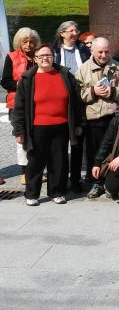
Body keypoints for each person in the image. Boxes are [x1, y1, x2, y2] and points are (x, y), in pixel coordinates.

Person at [11, 44, 82, 206]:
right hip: (38, 128)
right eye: (41, 56)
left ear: (53, 56)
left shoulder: (64, 74)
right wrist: (19, 131)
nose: (45, 58)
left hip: (61, 126)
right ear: (35, 59)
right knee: (35, 162)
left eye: (48, 55)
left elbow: (76, 102)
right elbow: (19, 108)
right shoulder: (28, 79)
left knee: (58, 161)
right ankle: (32, 194)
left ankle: (56, 192)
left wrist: (78, 123)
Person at [75, 37, 119, 198]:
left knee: (113, 151)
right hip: (94, 118)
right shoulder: (83, 69)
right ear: (92, 51)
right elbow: (77, 94)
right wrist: (93, 92)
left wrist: (112, 92)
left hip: (114, 117)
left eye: (106, 51)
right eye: (100, 52)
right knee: (94, 152)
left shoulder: (116, 67)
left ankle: (110, 183)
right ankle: (96, 183)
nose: (103, 55)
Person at [53, 20, 91, 192]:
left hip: (79, 99)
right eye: (71, 30)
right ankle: (59, 180)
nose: (75, 33)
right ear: (62, 33)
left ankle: (75, 179)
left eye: (76, 30)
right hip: (60, 99)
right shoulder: (54, 51)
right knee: (60, 143)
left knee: (77, 142)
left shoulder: (83, 49)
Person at [1, 27, 40, 185]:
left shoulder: (41, 56)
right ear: (19, 42)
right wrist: (20, 84)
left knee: (38, 138)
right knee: (22, 138)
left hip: (39, 103)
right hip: (18, 104)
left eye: (32, 42)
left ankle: (36, 170)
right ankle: (25, 173)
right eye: (25, 42)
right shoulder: (12, 57)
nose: (29, 45)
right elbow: (5, 81)